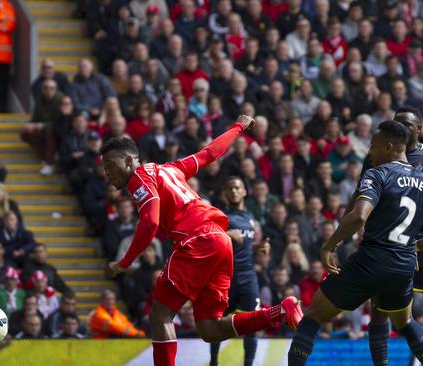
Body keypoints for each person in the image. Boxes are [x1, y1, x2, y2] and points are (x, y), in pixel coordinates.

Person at [102, 114, 302, 366]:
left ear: (130, 160)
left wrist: (125, 262)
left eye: (110, 165)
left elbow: (150, 221)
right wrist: (238, 126)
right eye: (105, 168)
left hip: (196, 241)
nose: (108, 173)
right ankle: (280, 311)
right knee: (210, 329)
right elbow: (209, 153)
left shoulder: (139, 180)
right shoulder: (169, 169)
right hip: (219, 239)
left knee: (160, 316)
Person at [288, 121, 423, 365]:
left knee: (313, 315)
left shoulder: (378, 174)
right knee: (404, 322)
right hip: (404, 266)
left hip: (371, 261)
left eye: (373, 147)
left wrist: (330, 244)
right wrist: (413, 247)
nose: (370, 153)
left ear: (389, 147)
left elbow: (359, 215)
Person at [356, 108, 423, 366]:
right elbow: (359, 196)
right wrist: (356, 224)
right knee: (379, 310)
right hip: (387, 244)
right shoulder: (379, 154)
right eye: (397, 123)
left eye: (406, 124)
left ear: (419, 128)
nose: (401, 127)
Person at [210, 176, 265, 366]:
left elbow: (247, 246)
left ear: (244, 192)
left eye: (237, 188)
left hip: (248, 276)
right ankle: (214, 362)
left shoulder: (251, 218)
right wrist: (226, 233)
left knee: (252, 323)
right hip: (225, 276)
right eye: (230, 188)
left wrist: (260, 249)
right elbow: (206, 236)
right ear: (225, 193)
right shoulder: (220, 216)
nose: (234, 191)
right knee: (216, 323)